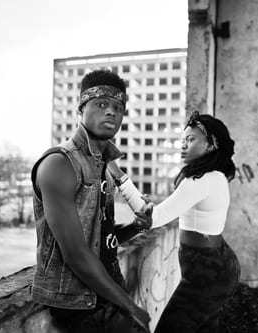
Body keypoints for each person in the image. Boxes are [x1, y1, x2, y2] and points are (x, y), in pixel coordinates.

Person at [30, 69, 150, 333]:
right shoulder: (59, 164)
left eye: (118, 107)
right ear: (81, 108)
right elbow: (75, 254)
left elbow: (101, 240)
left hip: (107, 294)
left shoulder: (103, 166)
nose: (111, 112)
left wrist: (136, 227)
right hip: (78, 306)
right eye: (101, 104)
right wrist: (130, 306)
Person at [108, 111, 241, 333]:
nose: (183, 145)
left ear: (211, 146)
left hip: (206, 274)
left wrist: (116, 172)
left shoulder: (199, 181)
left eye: (191, 140)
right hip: (220, 264)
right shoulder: (216, 176)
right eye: (183, 140)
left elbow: (154, 219)